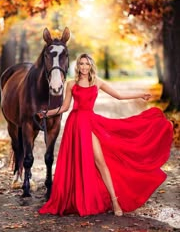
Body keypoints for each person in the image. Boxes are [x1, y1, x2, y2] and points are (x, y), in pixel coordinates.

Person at [38, 53, 173, 217]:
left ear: (91, 66)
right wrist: (47, 113)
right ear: (78, 66)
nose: (84, 67)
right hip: (75, 125)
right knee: (77, 162)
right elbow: (65, 107)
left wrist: (139, 95)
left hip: (90, 122)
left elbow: (119, 96)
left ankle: (115, 201)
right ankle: (79, 198)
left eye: (87, 64)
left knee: (100, 161)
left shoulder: (97, 82)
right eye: (81, 64)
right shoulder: (71, 84)